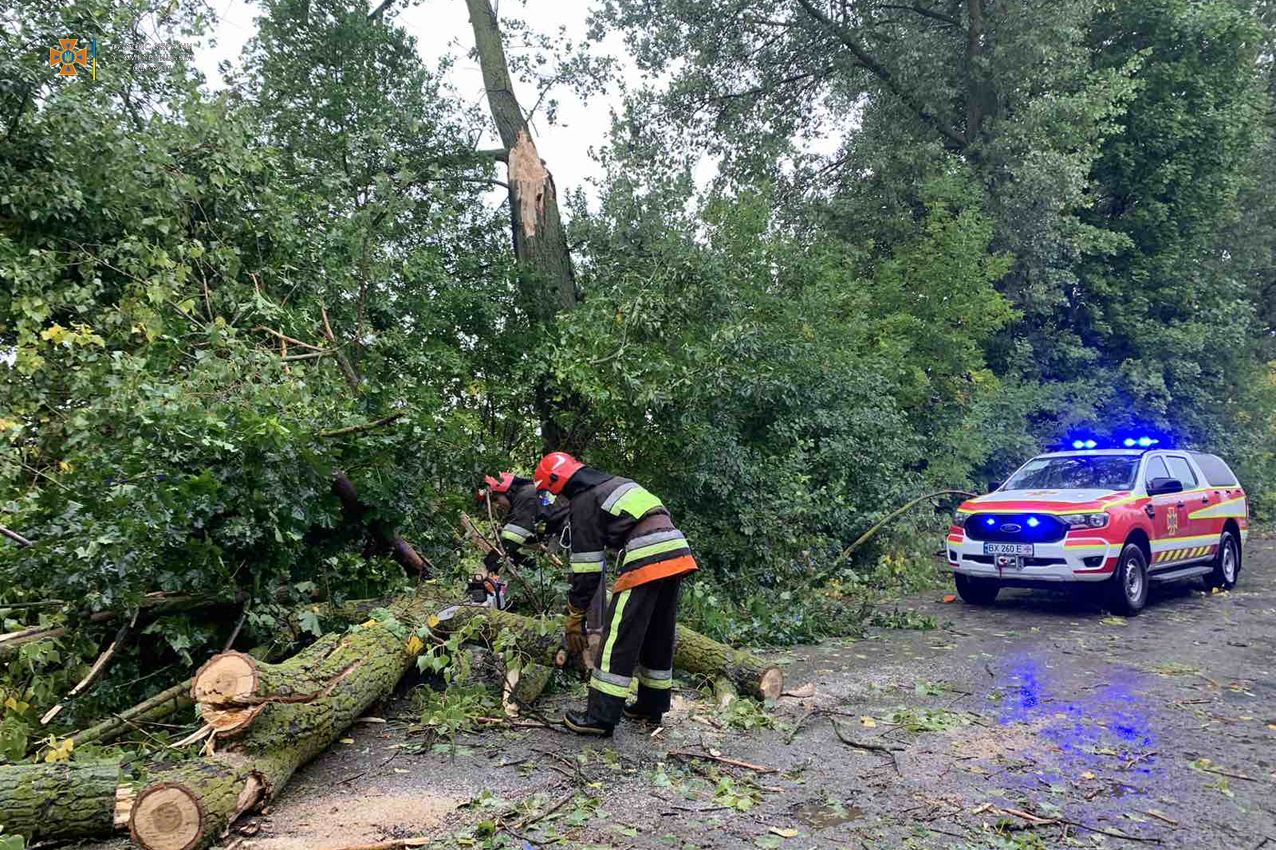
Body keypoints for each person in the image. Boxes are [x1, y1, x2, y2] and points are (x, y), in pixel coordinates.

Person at [533, 451, 698, 736]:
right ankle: (651, 705)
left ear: (558, 483)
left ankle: (600, 718)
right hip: (675, 550)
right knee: (657, 632)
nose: (555, 501)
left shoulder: (585, 500)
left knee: (617, 636)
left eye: (552, 493)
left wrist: (575, 614)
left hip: (646, 553)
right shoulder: (615, 484)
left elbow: (587, 569)